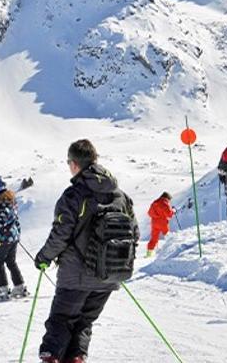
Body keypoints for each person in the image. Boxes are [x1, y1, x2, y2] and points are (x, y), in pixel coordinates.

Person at [34, 140, 139, 363]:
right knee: (83, 324)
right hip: (109, 275)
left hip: (75, 277)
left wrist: (44, 257)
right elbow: (134, 233)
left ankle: (52, 358)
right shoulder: (121, 196)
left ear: (74, 164)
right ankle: (77, 358)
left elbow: (61, 233)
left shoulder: (74, 195)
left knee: (61, 321)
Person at [146, 192, 175, 257]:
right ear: (167, 197)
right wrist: (173, 211)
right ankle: (169, 253)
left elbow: (149, 213)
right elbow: (169, 214)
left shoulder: (154, 203)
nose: (169, 201)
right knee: (168, 237)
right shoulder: (164, 203)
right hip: (162, 222)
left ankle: (148, 254)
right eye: (169, 200)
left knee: (154, 238)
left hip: (154, 222)